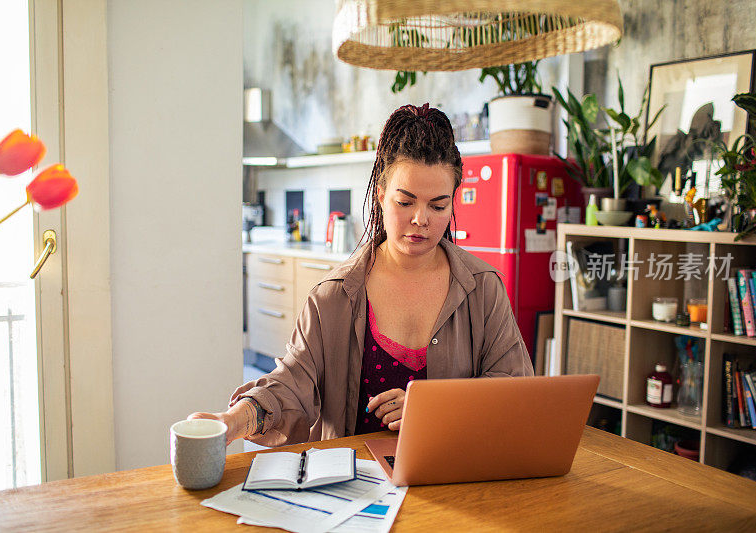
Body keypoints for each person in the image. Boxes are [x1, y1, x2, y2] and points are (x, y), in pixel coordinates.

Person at [189, 103, 533, 446]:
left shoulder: (483, 289)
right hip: (355, 486)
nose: (421, 219)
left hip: (452, 477)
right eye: (405, 202)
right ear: (381, 195)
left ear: (453, 202)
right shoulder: (334, 296)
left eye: (438, 205)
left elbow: (514, 388)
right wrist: (236, 420)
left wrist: (433, 407)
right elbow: (291, 382)